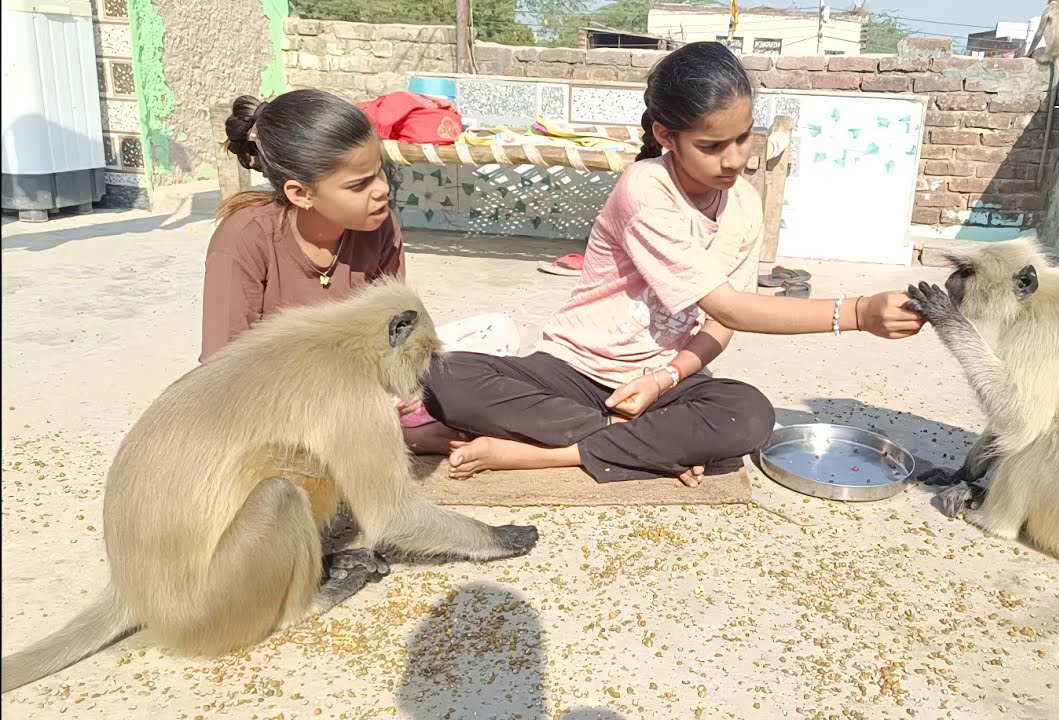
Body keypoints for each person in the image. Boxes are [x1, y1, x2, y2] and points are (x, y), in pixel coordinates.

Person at [425, 42, 925, 487]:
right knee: (443, 376)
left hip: (660, 383)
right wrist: (857, 313)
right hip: (573, 370)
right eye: (711, 146)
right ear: (666, 135)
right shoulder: (645, 187)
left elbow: (721, 325)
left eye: (743, 137)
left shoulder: (745, 206)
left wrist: (663, 378)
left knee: (747, 414)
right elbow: (730, 307)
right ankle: (637, 442)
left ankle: (543, 453)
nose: (734, 160)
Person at [200, 88, 518, 454]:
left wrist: (406, 382)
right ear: (301, 193)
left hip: (364, 383)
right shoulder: (243, 239)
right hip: (283, 398)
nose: (382, 190)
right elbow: (223, 372)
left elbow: (395, 334)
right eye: (359, 184)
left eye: (379, 171)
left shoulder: (381, 227)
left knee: (497, 332)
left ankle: (397, 427)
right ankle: (403, 436)